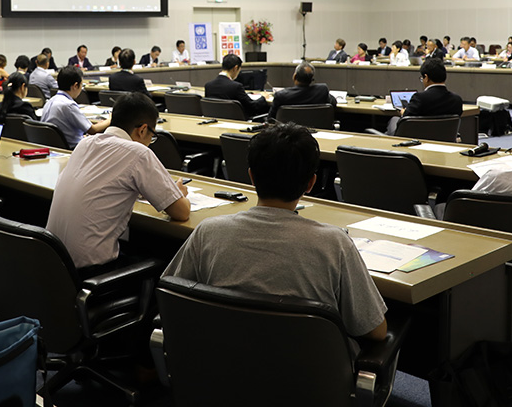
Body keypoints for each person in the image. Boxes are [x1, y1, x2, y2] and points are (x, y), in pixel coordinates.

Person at [164, 123, 387, 344]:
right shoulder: (335, 243)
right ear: (311, 183)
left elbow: (171, 294)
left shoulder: (208, 231)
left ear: (251, 177)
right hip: (309, 376)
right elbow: (374, 330)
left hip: (223, 366)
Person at [46, 92, 190, 272]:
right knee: (161, 257)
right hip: (91, 273)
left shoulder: (85, 144)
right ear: (143, 129)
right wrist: (179, 194)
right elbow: (181, 212)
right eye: (151, 136)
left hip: (53, 265)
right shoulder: (138, 153)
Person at [386, 58, 462, 135]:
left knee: (394, 119)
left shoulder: (420, 98)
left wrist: (403, 112)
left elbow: (406, 119)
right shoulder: (457, 100)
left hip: (418, 141)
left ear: (426, 77)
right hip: (445, 141)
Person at [41, 66, 110, 147]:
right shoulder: (68, 105)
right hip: (75, 148)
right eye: (81, 85)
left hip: (55, 145)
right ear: (75, 86)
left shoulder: (50, 101)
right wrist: (110, 119)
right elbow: (93, 130)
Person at [204, 54, 267, 118]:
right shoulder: (236, 86)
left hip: (217, 121)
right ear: (235, 68)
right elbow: (253, 106)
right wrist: (263, 98)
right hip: (237, 121)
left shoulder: (208, 86)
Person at [269, 62, 335, 119]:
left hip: (289, 131)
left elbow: (271, 119)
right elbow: (333, 102)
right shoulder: (322, 90)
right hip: (316, 130)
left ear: (294, 76)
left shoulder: (281, 95)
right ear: (312, 79)